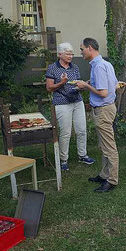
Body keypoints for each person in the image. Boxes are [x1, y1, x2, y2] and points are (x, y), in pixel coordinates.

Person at [76, 38, 119, 193]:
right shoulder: (105, 64)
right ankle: (104, 174)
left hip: (103, 110)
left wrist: (86, 86)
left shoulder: (99, 66)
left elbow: (103, 92)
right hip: (106, 108)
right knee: (104, 145)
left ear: (90, 48)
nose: (80, 52)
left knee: (109, 147)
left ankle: (112, 180)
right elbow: (114, 85)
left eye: (82, 49)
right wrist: (91, 83)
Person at [45, 42, 95, 172]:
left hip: (77, 101)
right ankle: (63, 160)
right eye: (68, 54)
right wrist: (62, 83)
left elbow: (77, 83)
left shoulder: (75, 68)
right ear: (60, 54)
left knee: (81, 130)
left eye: (72, 54)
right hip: (62, 103)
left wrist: (82, 85)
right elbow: (49, 87)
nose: (71, 56)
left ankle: (82, 155)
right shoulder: (52, 68)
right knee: (66, 132)